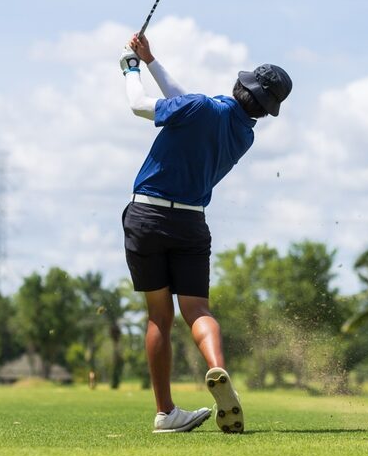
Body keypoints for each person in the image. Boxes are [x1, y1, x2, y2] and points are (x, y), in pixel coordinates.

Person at [119, 33, 292, 433]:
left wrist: (130, 68)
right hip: (191, 224)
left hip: (147, 216)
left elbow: (139, 105)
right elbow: (187, 102)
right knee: (197, 311)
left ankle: (166, 412)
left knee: (159, 318)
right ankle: (217, 368)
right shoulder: (242, 134)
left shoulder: (199, 107)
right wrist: (151, 60)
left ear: (239, 85)